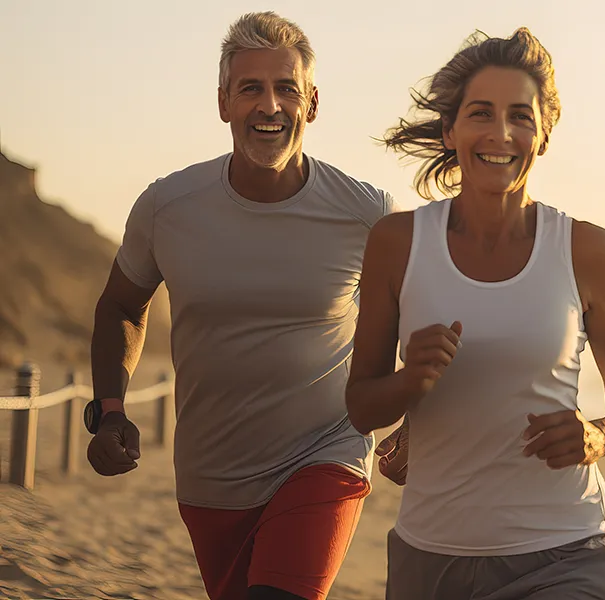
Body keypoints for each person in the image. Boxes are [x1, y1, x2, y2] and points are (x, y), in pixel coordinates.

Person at [84, 11, 400, 600]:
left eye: (286, 88)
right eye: (251, 88)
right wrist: (109, 410)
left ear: (311, 103)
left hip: (326, 453)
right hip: (211, 475)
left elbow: (424, 315)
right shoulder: (167, 206)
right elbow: (122, 307)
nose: (269, 105)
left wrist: (416, 424)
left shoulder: (367, 212)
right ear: (224, 102)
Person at [345, 28, 605, 599]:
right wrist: (411, 380)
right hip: (431, 554)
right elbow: (361, 406)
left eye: (521, 116)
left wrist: (599, 436)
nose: (501, 133)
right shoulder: (398, 242)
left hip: (567, 549)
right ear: (451, 130)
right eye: (481, 114)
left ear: (542, 137)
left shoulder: (587, 249)